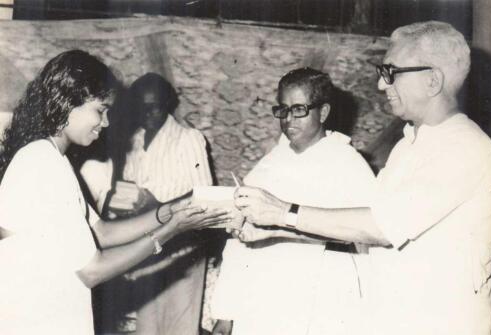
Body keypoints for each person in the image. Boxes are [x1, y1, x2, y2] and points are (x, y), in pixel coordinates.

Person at [234, 21, 491, 335]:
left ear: (432, 80)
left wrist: (283, 213)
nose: (380, 86)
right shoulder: (409, 145)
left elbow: (381, 227)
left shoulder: (464, 147)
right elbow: (363, 233)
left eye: (391, 73)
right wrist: (277, 230)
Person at [0, 50, 230, 335]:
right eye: (100, 110)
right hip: (38, 318)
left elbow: (102, 232)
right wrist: (172, 229)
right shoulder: (41, 162)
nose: (106, 122)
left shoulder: (53, 158)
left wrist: (164, 212)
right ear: (68, 101)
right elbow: (92, 270)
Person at [211, 68, 376, 335]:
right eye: (283, 109)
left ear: (322, 112)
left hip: (321, 300)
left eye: (299, 109)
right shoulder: (270, 163)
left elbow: (364, 236)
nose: (289, 119)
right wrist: (225, 313)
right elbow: (238, 243)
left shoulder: (347, 163)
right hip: (260, 300)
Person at [81, 72, 213, 335]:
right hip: (147, 249)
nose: (147, 113)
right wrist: (123, 205)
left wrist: (156, 203)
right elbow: (128, 191)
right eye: (141, 107)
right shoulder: (135, 140)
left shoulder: (189, 138)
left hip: (183, 251)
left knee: (178, 328)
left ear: (167, 104)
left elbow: (205, 198)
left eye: (154, 106)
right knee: (148, 329)